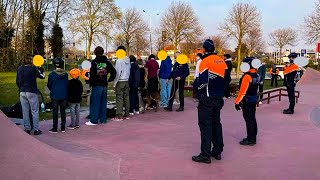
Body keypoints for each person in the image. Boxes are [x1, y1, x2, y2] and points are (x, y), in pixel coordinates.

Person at [192, 39, 226, 164]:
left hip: (207, 98)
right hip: (219, 97)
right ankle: (217, 151)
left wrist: (195, 87)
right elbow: (226, 79)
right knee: (216, 124)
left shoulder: (204, 61)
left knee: (205, 125)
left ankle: (205, 154)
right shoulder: (221, 60)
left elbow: (202, 82)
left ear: (204, 49)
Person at [235, 57, 261, 146]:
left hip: (247, 100)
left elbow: (242, 91)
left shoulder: (247, 76)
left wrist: (237, 102)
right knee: (252, 119)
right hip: (254, 99)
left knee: (249, 120)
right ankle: (253, 136)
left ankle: (250, 139)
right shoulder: (257, 75)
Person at [16, 54, 45, 135]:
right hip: (31, 91)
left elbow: (17, 81)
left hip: (22, 91)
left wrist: (21, 89)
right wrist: (41, 70)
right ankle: (36, 129)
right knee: (34, 111)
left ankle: (27, 128)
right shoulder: (33, 68)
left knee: (25, 111)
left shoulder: (19, 68)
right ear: (32, 60)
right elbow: (42, 76)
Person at [86, 46, 116, 125]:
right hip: (104, 85)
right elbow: (114, 72)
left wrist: (90, 82)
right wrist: (109, 79)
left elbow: (91, 74)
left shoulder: (94, 62)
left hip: (96, 85)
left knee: (95, 103)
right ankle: (103, 119)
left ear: (95, 52)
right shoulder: (107, 62)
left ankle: (94, 120)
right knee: (103, 103)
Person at [47, 57, 68, 133]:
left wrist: (53, 89)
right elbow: (66, 84)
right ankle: (63, 127)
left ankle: (55, 128)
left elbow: (49, 84)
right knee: (63, 111)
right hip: (64, 95)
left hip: (55, 95)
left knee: (55, 112)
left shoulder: (52, 75)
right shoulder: (65, 74)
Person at [113, 46, 131, 121]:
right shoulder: (128, 59)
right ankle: (127, 114)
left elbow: (117, 73)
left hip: (120, 81)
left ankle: (119, 115)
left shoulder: (119, 60)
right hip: (126, 80)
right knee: (126, 97)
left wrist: (114, 83)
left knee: (119, 98)